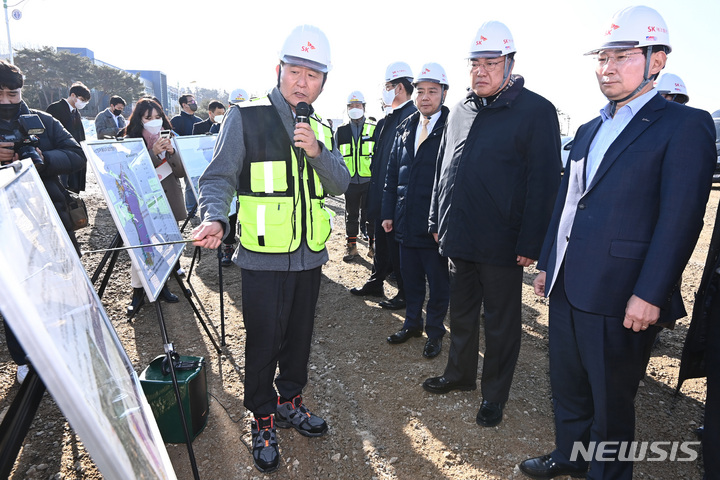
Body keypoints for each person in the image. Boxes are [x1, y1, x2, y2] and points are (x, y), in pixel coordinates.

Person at [519, 6, 716, 480]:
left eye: (622, 56)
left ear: (657, 60)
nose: (606, 68)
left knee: (610, 403)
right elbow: (568, 204)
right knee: (566, 385)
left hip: (621, 294)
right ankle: (569, 455)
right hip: (568, 286)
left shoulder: (683, 126)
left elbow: (681, 219)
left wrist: (650, 292)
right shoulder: (589, 129)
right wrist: (548, 262)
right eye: (602, 58)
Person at [191, 25, 349, 473]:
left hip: (309, 256)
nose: (303, 82)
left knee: (298, 339)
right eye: (295, 71)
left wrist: (317, 151)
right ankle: (262, 417)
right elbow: (218, 177)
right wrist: (217, 217)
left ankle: (290, 401)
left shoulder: (318, 125)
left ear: (323, 82)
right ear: (279, 70)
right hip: (262, 258)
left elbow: (339, 182)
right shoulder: (246, 116)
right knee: (264, 342)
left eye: (313, 75)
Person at [422, 21, 561, 430]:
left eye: (491, 63)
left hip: (503, 244)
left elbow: (544, 182)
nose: (480, 71)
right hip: (460, 236)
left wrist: (532, 241)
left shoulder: (536, 111)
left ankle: (494, 396)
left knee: (500, 325)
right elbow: (443, 168)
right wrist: (436, 217)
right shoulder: (462, 110)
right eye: (474, 63)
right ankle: (459, 374)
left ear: (510, 64)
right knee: (461, 314)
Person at [0, 60, 86, 384]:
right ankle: (24, 358)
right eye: (0, 93)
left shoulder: (42, 121)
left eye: (13, 92)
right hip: (6, 230)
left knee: (65, 282)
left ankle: (71, 344)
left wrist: (43, 159)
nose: (7, 100)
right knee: (15, 294)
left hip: (50, 220)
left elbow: (76, 154)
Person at [382, 62, 450, 359]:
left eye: (432, 91)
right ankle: (412, 323)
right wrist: (387, 213)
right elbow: (391, 175)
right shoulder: (405, 127)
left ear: (444, 94)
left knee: (437, 283)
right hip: (405, 221)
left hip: (434, 227)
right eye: (421, 91)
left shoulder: (454, 129)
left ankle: (435, 332)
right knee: (409, 279)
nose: (425, 97)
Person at [350, 61, 417, 310]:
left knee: (398, 248)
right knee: (381, 242)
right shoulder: (387, 119)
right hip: (379, 195)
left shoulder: (412, 118)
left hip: (397, 200)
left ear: (399, 87)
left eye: (387, 86)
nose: (385, 91)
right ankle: (376, 280)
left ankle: (404, 292)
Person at [122, 98, 188, 316]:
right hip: (143, 201)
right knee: (141, 246)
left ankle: (163, 286)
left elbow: (179, 172)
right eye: (148, 118)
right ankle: (138, 292)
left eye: (158, 117)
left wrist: (171, 153)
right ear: (139, 120)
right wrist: (152, 154)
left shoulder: (170, 136)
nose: (154, 122)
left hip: (168, 198)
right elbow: (130, 172)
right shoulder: (131, 140)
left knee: (166, 243)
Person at [335, 90, 375, 262]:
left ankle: (373, 248)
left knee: (371, 215)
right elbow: (335, 155)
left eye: (358, 105)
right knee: (351, 216)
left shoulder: (373, 129)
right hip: (350, 181)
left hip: (369, 181)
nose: (355, 108)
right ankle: (352, 248)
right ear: (347, 108)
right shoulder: (341, 131)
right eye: (351, 105)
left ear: (364, 107)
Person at [219, 90, 249, 266]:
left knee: (247, 214)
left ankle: (246, 246)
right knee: (230, 215)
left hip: (249, 181)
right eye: (234, 105)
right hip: (230, 180)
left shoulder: (257, 128)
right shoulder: (220, 126)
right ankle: (228, 247)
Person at [46, 81, 90, 192]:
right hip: (60, 154)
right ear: (73, 95)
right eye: (82, 99)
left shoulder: (76, 112)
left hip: (74, 154)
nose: (83, 103)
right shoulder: (55, 108)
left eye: (85, 101)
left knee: (73, 188)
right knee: (61, 187)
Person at [171, 94, 202, 217]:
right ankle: (191, 211)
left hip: (199, 157)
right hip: (184, 158)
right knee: (189, 184)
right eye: (191, 101)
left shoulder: (199, 121)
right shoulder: (176, 120)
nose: (194, 103)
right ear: (184, 105)